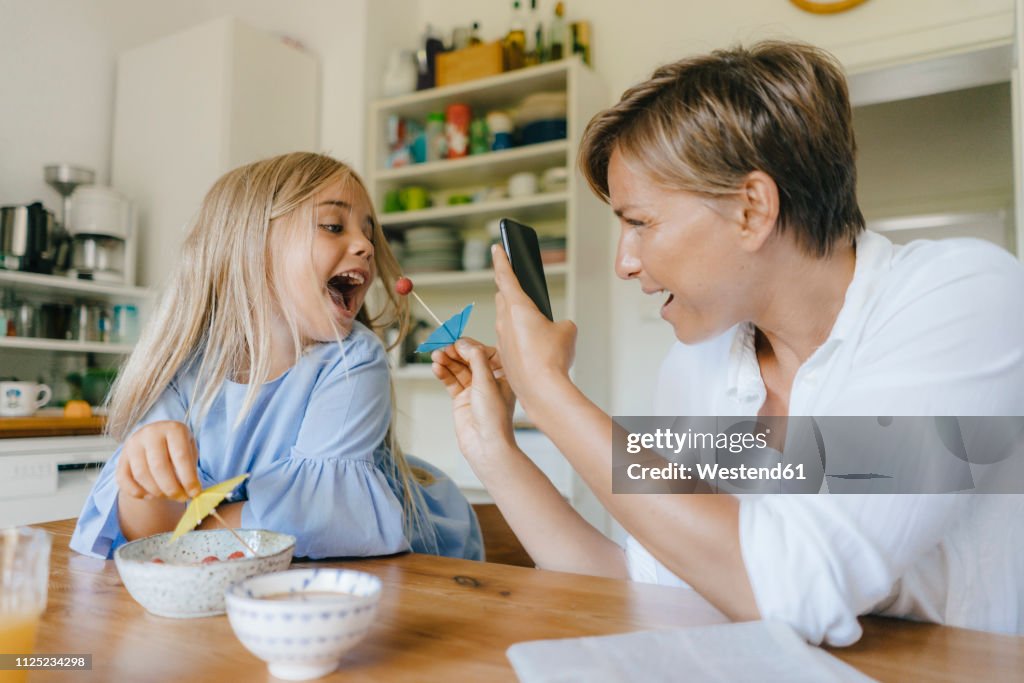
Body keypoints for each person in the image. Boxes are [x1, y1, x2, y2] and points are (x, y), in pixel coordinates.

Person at [432, 41, 1024, 646]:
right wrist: (494, 450)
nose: (624, 262)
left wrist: (550, 394)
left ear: (751, 209)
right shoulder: (702, 361)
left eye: (639, 223)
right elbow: (646, 584)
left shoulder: (965, 296)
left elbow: (792, 588)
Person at [71, 152, 481, 561]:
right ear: (250, 247)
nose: (365, 246)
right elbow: (148, 537)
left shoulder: (353, 358)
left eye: (368, 232)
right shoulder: (183, 369)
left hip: (417, 568)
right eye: (333, 226)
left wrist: (190, 533)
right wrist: (146, 482)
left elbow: (319, 519)